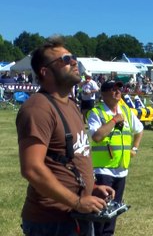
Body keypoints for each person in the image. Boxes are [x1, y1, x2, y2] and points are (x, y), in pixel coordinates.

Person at [16, 36, 115, 236]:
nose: (73, 62)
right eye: (65, 59)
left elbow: (72, 156)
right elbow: (32, 169)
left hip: (76, 215)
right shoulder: (38, 108)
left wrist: (92, 188)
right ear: (45, 72)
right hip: (52, 222)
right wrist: (77, 201)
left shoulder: (70, 104)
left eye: (73, 57)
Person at [87, 80, 143, 236]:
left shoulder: (125, 110)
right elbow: (97, 136)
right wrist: (113, 121)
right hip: (103, 170)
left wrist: (135, 148)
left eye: (119, 88)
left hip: (121, 170)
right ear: (103, 94)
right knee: (100, 211)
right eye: (113, 89)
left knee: (114, 211)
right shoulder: (96, 113)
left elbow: (139, 129)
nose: (118, 91)